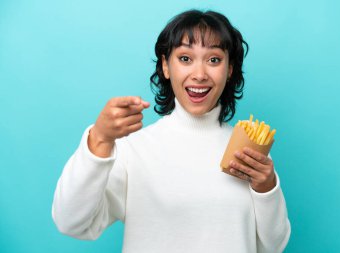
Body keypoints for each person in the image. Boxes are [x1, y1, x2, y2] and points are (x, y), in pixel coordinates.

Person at [52, 9, 291, 253]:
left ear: (230, 70)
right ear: (166, 66)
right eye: (185, 59)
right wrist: (99, 140)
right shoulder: (134, 149)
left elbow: (273, 246)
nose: (199, 75)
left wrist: (267, 187)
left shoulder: (249, 151)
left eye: (214, 60)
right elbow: (71, 222)